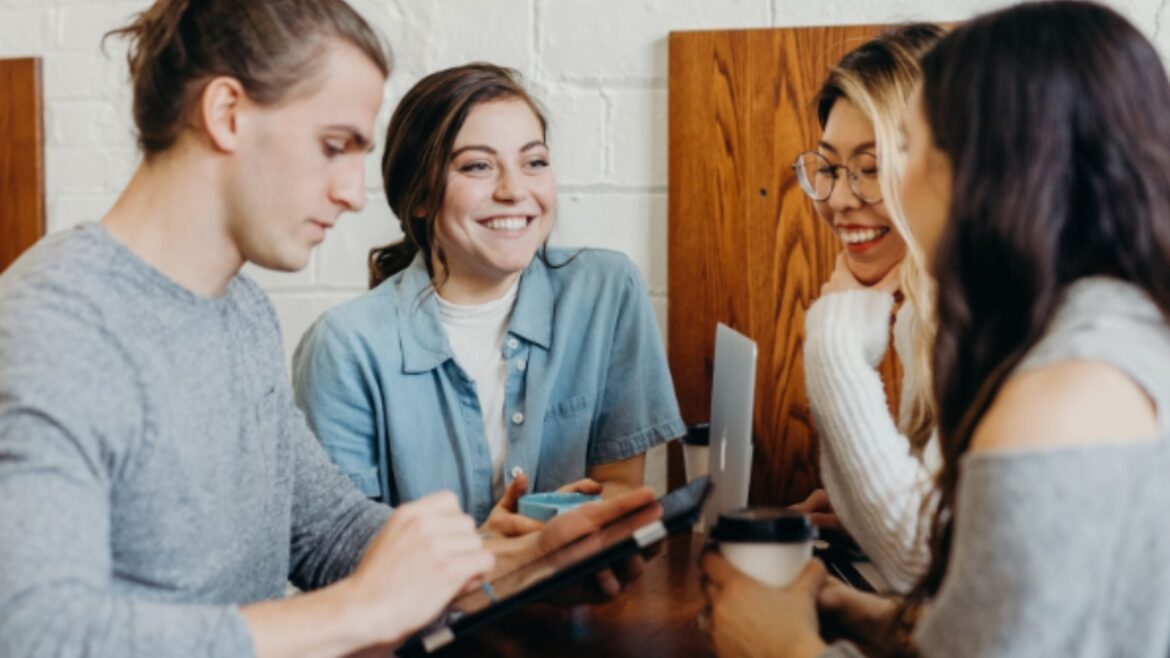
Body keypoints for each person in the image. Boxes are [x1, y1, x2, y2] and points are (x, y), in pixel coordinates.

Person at [0, 2, 654, 657]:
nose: (352, 193)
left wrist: (523, 566)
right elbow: (34, 632)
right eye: (333, 146)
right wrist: (357, 611)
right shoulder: (53, 324)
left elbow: (327, 531)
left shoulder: (241, 312)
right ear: (227, 113)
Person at [703, 2, 1170, 656]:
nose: (876, 184)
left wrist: (779, 647)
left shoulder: (1061, 393)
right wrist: (874, 620)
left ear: (993, 167)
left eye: (911, 146)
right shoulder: (1107, 332)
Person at [292, 62, 685, 536]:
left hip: (576, 600)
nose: (514, 190)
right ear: (419, 196)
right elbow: (343, 548)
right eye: (477, 166)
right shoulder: (344, 347)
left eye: (534, 162)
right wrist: (494, 553)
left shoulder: (606, 291)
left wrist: (553, 537)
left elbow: (620, 486)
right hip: (431, 610)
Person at [792, 24, 944, 592]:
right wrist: (861, 516)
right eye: (828, 168)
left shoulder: (996, 318)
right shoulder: (925, 314)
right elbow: (934, 540)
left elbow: (921, 563)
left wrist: (834, 339)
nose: (837, 199)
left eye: (872, 167)